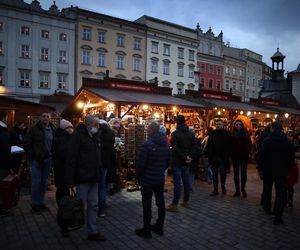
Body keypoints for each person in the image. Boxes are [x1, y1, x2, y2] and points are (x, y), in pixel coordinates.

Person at [66, 115, 106, 241]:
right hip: (82, 178)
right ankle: (66, 225)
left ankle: (92, 232)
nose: (98, 127)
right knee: (79, 206)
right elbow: (71, 159)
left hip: (93, 177)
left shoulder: (94, 136)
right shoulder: (78, 137)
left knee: (93, 205)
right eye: (95, 125)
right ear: (88, 124)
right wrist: (70, 181)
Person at [135, 122, 170, 239]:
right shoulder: (165, 144)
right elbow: (167, 162)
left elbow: (141, 164)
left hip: (147, 179)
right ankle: (159, 227)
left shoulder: (147, 144)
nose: (146, 131)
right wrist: (160, 170)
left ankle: (146, 230)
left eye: (148, 129)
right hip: (159, 179)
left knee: (147, 205)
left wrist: (138, 176)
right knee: (160, 203)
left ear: (151, 130)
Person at [257, 121, 294, 225]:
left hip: (268, 171)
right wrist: (288, 170)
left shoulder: (267, 141)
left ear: (272, 129)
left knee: (267, 190)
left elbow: (261, 156)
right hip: (282, 172)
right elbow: (291, 158)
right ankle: (278, 215)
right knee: (280, 194)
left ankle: (267, 207)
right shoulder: (287, 142)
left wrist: (260, 168)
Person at [23, 112, 56, 212]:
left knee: (44, 183)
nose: (45, 118)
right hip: (37, 160)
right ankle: (35, 204)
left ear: (50, 119)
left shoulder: (52, 129)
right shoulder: (34, 129)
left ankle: (41, 203)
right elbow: (27, 143)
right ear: (40, 118)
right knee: (36, 182)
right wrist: (32, 156)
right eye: (44, 116)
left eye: (47, 117)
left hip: (48, 159)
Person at [166, 115, 196, 212]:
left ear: (176, 122)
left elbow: (175, 148)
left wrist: (185, 157)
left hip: (177, 161)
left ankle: (175, 204)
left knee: (178, 183)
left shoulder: (175, 134)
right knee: (186, 182)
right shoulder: (191, 133)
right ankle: (186, 201)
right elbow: (193, 147)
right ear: (185, 122)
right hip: (186, 161)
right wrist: (189, 157)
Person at [52, 119, 74, 237]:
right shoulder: (62, 138)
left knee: (62, 191)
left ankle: (62, 212)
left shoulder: (60, 137)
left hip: (61, 170)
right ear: (65, 128)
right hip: (63, 170)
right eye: (70, 127)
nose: (71, 129)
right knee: (63, 193)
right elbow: (66, 153)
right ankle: (63, 219)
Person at [206, 119, 232, 196]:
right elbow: (209, 145)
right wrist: (208, 155)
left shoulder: (227, 134)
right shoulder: (212, 134)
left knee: (223, 173)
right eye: (217, 124)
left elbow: (229, 146)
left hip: (223, 157)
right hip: (214, 157)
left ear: (222, 125)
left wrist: (228, 155)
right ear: (215, 125)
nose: (218, 125)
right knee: (214, 174)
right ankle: (215, 189)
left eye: (220, 124)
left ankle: (223, 186)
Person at [97, 119, 116, 218]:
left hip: (97, 163)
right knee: (102, 187)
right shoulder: (111, 134)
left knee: (97, 187)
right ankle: (102, 210)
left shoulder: (97, 134)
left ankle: (96, 207)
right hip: (106, 163)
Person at [231, 120, 252, 198]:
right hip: (235, 157)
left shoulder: (246, 133)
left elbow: (250, 144)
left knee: (243, 174)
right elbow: (230, 145)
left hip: (244, 157)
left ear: (242, 125)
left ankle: (243, 189)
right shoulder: (232, 134)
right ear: (234, 125)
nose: (238, 126)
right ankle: (237, 190)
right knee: (236, 174)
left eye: (239, 124)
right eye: (237, 124)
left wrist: (248, 152)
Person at [0, 111, 12, 217]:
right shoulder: (4, 132)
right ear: (4, 118)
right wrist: (10, 166)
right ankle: (2, 207)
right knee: (3, 186)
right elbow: (6, 151)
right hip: (2, 164)